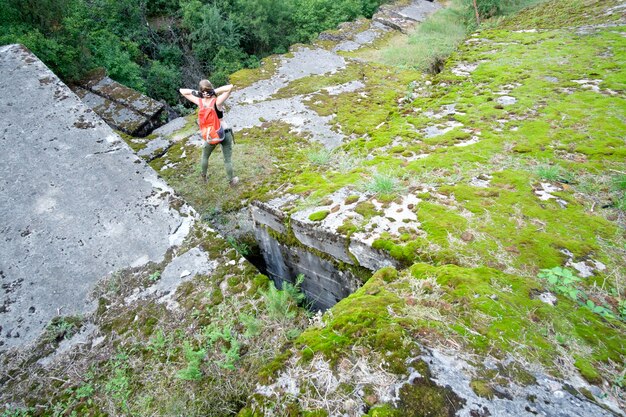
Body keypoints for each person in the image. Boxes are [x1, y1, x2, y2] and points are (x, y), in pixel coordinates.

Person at [179, 80, 238, 186]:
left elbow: (182, 91)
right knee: (227, 159)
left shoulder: (199, 102)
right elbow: (230, 87)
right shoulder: (217, 101)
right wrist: (213, 91)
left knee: (205, 156)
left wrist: (200, 93)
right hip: (224, 131)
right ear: (211, 88)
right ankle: (231, 181)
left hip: (211, 134)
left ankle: (204, 177)